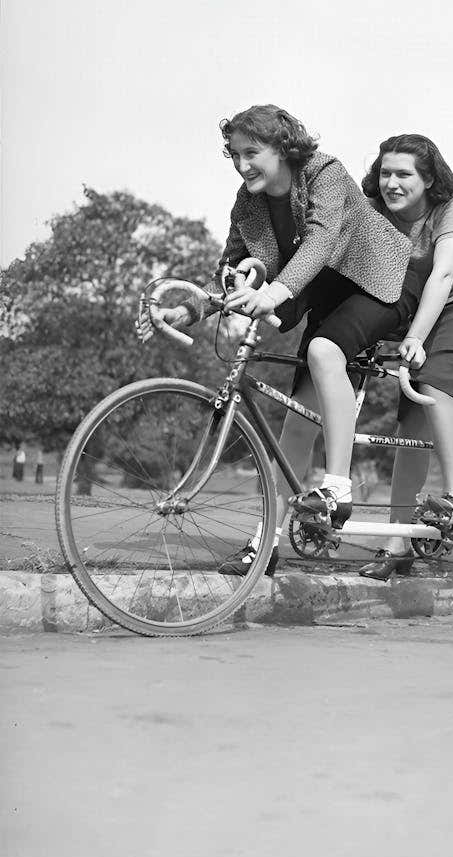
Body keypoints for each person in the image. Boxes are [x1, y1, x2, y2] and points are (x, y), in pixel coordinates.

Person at [136, 104, 419, 575]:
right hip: (322, 292)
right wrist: (187, 311)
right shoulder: (247, 203)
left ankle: (338, 488)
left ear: (283, 148)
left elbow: (323, 239)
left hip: (378, 283)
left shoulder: (323, 171)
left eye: (252, 152)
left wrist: (279, 291)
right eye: (234, 154)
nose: (242, 164)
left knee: (322, 349)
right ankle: (264, 543)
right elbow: (229, 273)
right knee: (297, 423)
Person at [357, 134, 453, 580]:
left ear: (428, 179)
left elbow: (443, 274)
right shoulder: (375, 210)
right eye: (385, 173)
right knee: (412, 417)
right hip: (426, 300)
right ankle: (397, 540)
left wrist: (417, 337)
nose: (392, 182)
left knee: (435, 381)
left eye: (403, 174)